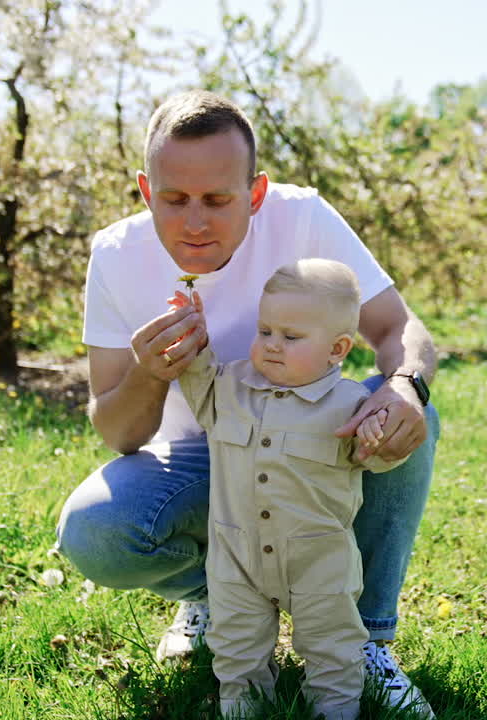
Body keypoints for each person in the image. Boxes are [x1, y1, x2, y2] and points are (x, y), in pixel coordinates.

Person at [54, 90, 439, 715]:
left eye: (218, 199)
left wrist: (405, 385)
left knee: (401, 406)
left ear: (255, 194)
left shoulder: (304, 217)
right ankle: (216, 597)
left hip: (317, 446)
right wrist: (152, 375)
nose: (195, 222)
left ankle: (365, 636)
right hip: (205, 463)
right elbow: (116, 429)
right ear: (146, 191)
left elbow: (400, 330)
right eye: (174, 200)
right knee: (93, 529)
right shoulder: (117, 255)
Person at [175, 259, 403, 720]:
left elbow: (379, 459)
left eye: (291, 337)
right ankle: (245, 707)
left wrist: (380, 435)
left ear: (337, 348)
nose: (272, 346)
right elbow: (196, 381)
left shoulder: (352, 405)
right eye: (265, 331)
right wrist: (194, 340)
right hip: (237, 556)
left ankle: (335, 710)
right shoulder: (230, 385)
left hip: (318, 559)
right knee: (237, 650)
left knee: (333, 648)